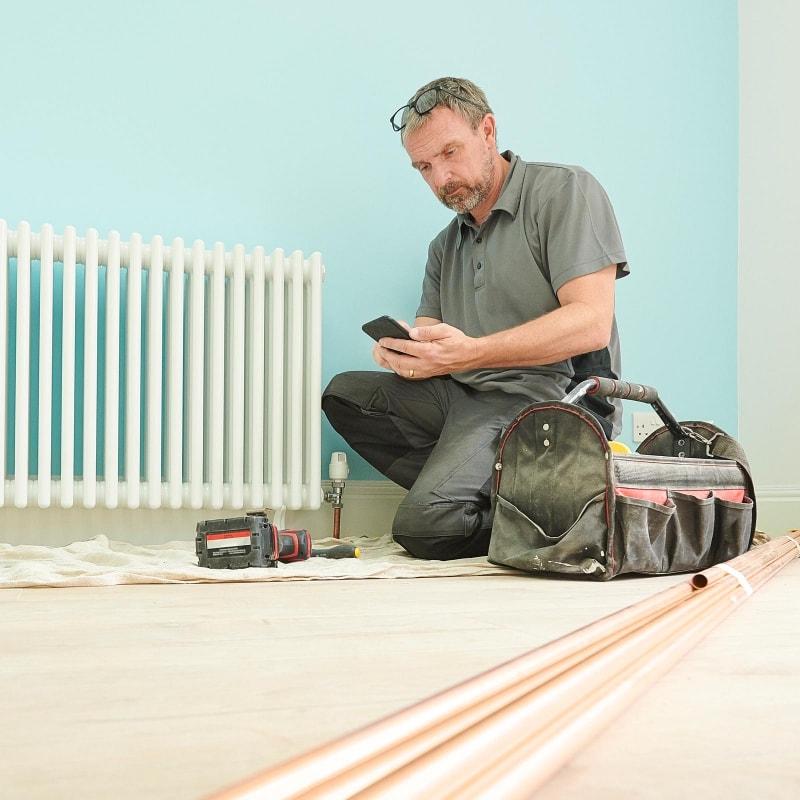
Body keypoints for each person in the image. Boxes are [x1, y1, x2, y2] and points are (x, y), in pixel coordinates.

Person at [322, 77, 629, 561]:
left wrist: (472, 351)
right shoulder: (444, 246)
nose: (440, 178)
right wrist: (406, 355)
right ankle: (494, 490)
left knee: (426, 530)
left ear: (487, 131)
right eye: (423, 166)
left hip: (545, 399)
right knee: (347, 395)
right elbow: (430, 343)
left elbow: (590, 321)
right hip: (465, 396)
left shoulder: (564, 192)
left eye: (449, 153)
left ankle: (517, 505)